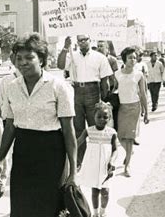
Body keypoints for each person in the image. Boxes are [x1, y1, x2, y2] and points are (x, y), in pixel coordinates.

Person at [0, 33, 77, 217]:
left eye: (28, 57)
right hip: (23, 151)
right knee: (21, 215)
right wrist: (0, 159)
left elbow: (69, 132)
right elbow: (10, 126)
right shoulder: (11, 87)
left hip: (51, 152)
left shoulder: (58, 86)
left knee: (45, 215)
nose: (23, 62)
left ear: (41, 58)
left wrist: (73, 171)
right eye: (19, 58)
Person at [57, 34, 113, 139]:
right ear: (77, 43)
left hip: (93, 91)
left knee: (95, 123)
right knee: (77, 126)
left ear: (90, 40)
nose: (82, 42)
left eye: (85, 39)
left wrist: (105, 97)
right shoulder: (71, 55)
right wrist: (65, 47)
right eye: (80, 40)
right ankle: (80, 154)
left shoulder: (99, 57)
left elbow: (105, 81)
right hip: (76, 91)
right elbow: (60, 65)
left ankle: (95, 150)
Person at [77, 102, 118, 217]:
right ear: (93, 116)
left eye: (105, 117)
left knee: (105, 191)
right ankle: (95, 214)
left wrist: (112, 161)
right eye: (99, 116)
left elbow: (115, 149)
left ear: (110, 118)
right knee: (95, 190)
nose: (102, 119)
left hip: (106, 166)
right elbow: (77, 143)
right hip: (94, 166)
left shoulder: (111, 132)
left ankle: (103, 213)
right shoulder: (89, 131)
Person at [114, 47, 149, 177]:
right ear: (124, 59)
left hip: (134, 107)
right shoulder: (117, 74)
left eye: (134, 57)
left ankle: (127, 165)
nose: (133, 60)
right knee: (120, 136)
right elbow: (114, 90)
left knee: (130, 138)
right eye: (130, 57)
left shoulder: (139, 74)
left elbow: (143, 94)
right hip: (122, 108)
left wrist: (146, 112)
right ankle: (129, 152)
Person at [97, 40, 119, 128]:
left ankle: (114, 132)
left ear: (107, 49)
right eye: (98, 46)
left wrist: (113, 89)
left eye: (101, 46)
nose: (99, 48)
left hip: (110, 89)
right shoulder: (95, 59)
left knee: (112, 112)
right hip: (98, 89)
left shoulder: (112, 60)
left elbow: (115, 75)